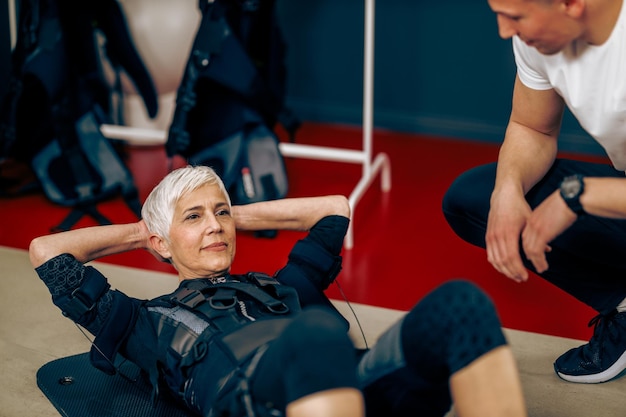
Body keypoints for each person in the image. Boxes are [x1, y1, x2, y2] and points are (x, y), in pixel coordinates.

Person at [30, 165, 527, 417]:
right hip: (254, 400)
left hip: (350, 384)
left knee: (461, 303)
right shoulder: (143, 319)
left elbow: (335, 209)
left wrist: (226, 212)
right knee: (313, 334)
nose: (215, 227)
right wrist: (146, 231)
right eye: (195, 218)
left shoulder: (281, 286)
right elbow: (46, 251)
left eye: (221, 214)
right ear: (160, 242)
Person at [442, 0, 626, 385]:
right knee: (474, 200)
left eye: (515, 17)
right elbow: (532, 128)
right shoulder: (537, 40)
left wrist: (578, 196)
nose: (504, 30)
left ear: (571, 4)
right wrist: (509, 191)